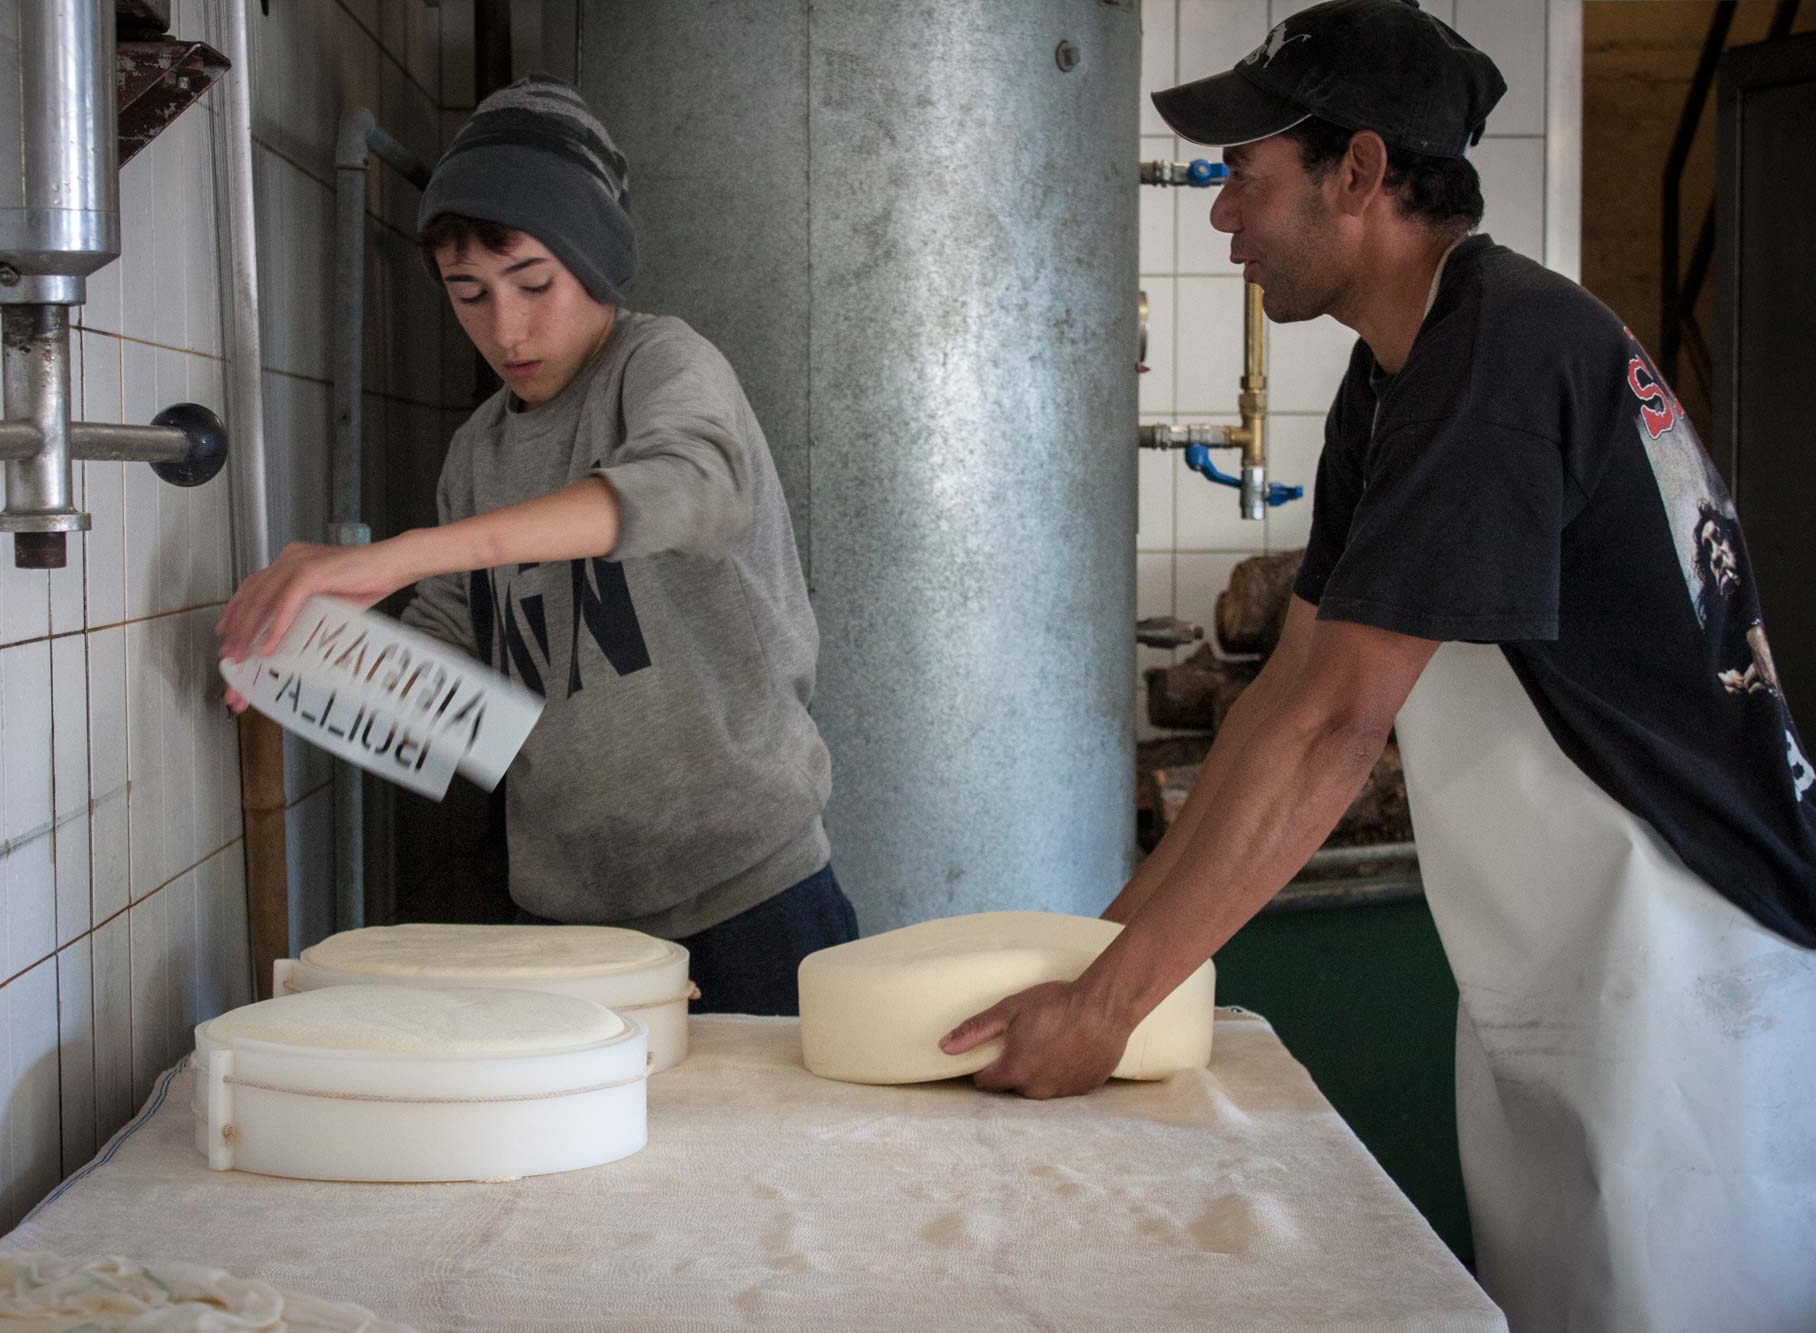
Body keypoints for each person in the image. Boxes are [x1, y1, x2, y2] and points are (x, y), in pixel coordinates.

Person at [939, 3, 1816, 1328]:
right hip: (1573, 966)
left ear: (1357, 174)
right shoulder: (1397, 376)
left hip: (1688, 978)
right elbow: (1285, 693)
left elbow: (1339, 731)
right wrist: (1097, 963)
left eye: (1247, 174)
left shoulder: (1504, 359)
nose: (1222, 214)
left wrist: (1111, 1008)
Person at [217, 75, 855, 1015]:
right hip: (568, 926)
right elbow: (454, 684)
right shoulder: (475, 454)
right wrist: (304, 667)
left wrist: (399, 554)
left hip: (753, 898)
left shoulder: (661, 364)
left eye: (533, 283)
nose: (504, 329)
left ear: (594, 260)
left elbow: (692, 487)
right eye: (467, 294)